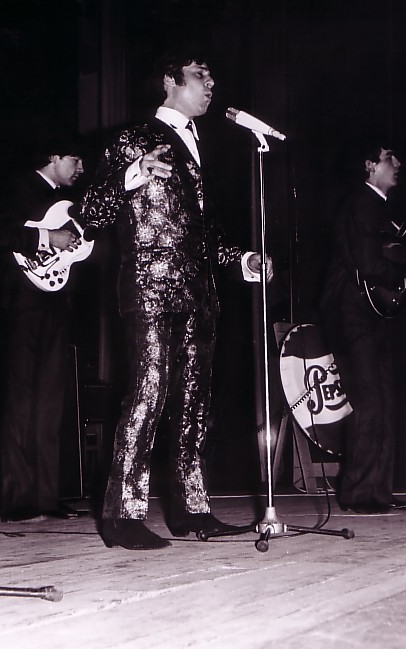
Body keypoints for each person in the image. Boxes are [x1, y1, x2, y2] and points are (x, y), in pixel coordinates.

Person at [81, 50, 273, 550]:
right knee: (149, 390)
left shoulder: (198, 144)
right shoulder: (134, 138)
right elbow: (92, 210)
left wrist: (242, 259)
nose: (210, 84)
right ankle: (121, 515)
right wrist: (133, 173)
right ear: (170, 81)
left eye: (212, 76)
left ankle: (192, 510)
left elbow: (204, 228)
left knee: (194, 402)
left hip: (198, 293)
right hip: (150, 284)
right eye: (199, 75)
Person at [320, 139, 406, 514]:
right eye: (388, 158)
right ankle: (359, 493)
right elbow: (368, 264)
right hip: (352, 314)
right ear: (369, 166)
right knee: (369, 401)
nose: (396, 163)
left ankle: (378, 491)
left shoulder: (379, 209)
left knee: (383, 401)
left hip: (372, 314)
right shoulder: (362, 205)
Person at [0, 131, 89, 521]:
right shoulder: (18, 187)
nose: (81, 168)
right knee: (20, 400)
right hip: (20, 303)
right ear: (53, 157)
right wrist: (48, 236)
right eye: (75, 159)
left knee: (50, 400)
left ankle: (47, 497)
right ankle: (17, 500)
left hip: (54, 302)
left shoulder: (70, 202)